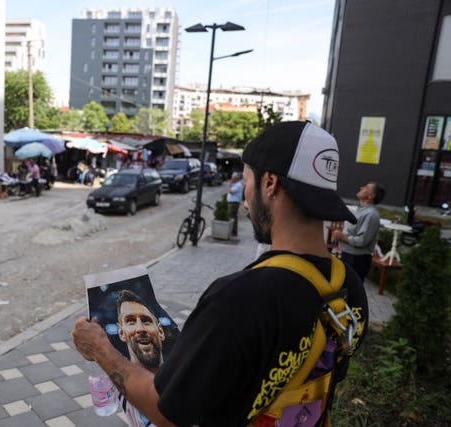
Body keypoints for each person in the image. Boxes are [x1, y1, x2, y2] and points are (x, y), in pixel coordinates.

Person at [72, 121, 369, 426]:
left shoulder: (238, 300)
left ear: (270, 184)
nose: (244, 201)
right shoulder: (348, 284)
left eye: (248, 180)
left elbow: (165, 411)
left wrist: (100, 349)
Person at [115, 290, 166, 427]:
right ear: (121, 332)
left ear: (160, 331)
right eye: (130, 321)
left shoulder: (185, 381)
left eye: (146, 321)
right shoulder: (123, 391)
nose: (140, 328)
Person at [331, 182, 386, 281]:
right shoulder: (361, 210)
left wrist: (342, 237)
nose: (361, 187)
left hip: (357, 260)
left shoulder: (371, 215)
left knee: (350, 292)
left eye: (366, 187)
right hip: (349, 256)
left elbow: (362, 240)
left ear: (371, 196)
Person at [227, 171, 243, 237]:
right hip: (232, 203)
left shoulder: (238, 185)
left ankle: (233, 232)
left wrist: (230, 184)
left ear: (236, 178)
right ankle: (233, 231)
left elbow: (231, 191)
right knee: (233, 217)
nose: (232, 179)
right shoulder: (236, 184)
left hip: (234, 203)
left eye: (233, 178)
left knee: (232, 217)